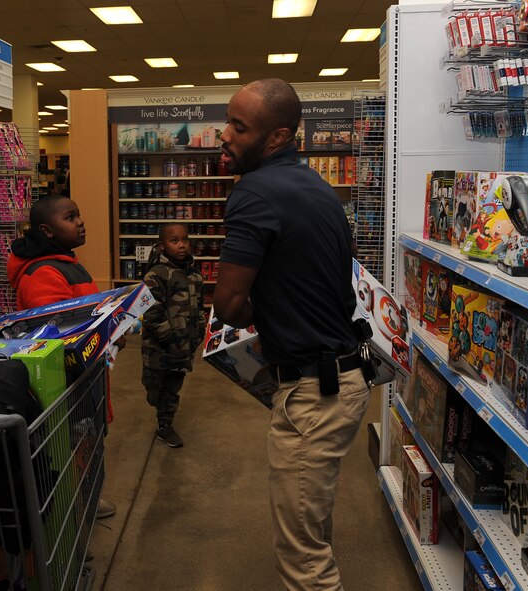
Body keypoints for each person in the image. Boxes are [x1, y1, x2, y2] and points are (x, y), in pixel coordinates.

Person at [213, 78, 370, 591]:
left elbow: (229, 304)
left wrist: (259, 312)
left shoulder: (253, 193)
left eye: (239, 127)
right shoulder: (318, 189)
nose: (225, 136)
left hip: (312, 396)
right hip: (343, 382)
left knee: (305, 561)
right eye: (228, 122)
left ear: (277, 137)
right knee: (312, 524)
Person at [6, 194, 117, 520]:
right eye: (70, 217)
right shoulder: (44, 273)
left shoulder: (65, 262)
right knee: (77, 438)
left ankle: (90, 495)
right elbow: (58, 332)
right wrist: (105, 330)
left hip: (88, 369)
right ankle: (81, 506)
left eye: (79, 214)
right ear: (47, 230)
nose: (80, 222)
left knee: (89, 436)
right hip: (71, 380)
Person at [141, 223, 206, 448]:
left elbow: (200, 306)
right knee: (154, 387)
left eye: (185, 240)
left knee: (173, 388)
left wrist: (198, 332)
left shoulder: (195, 275)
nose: (182, 245)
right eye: (175, 241)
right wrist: (170, 338)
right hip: (159, 348)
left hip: (184, 348)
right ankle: (157, 402)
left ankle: (165, 425)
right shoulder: (156, 274)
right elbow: (151, 313)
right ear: (162, 245)